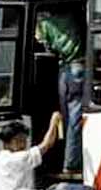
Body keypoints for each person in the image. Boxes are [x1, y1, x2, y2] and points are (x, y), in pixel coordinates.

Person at [35, 13, 84, 174]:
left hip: (63, 70)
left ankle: (68, 161)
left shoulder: (44, 24)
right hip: (78, 66)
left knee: (68, 118)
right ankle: (72, 163)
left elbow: (47, 47)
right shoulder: (75, 18)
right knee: (75, 119)